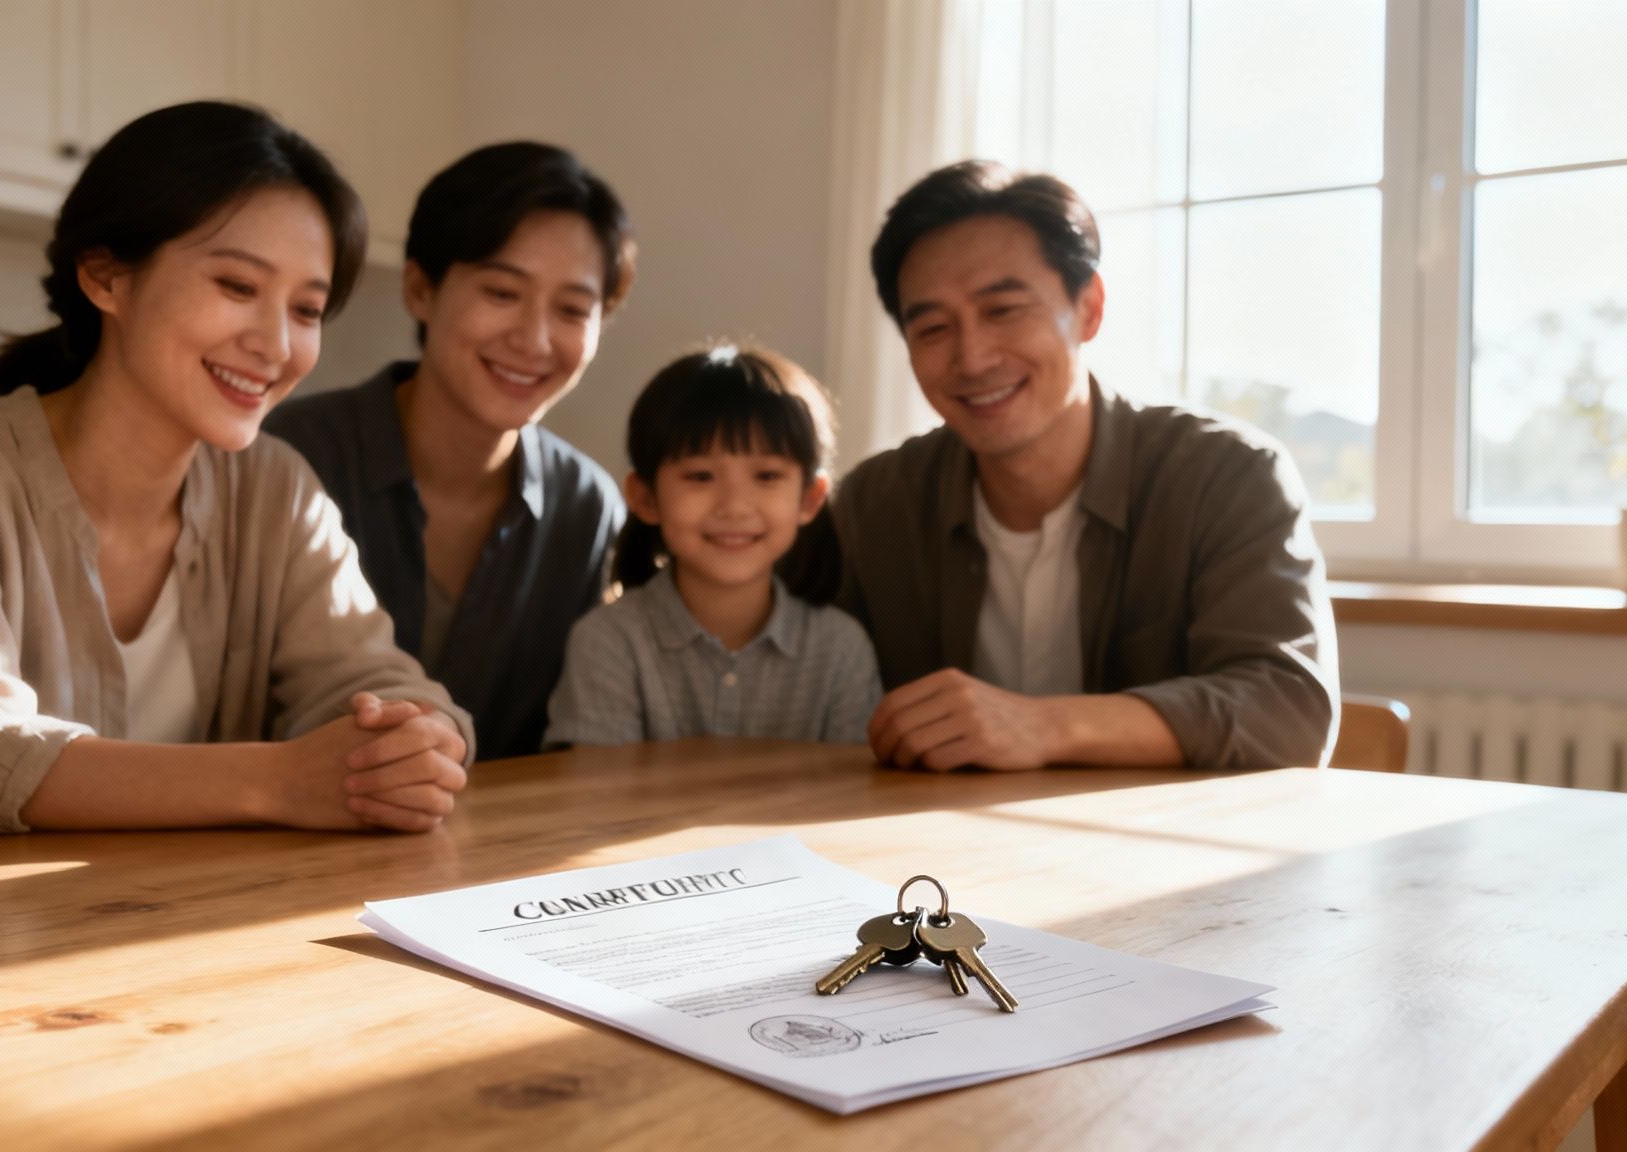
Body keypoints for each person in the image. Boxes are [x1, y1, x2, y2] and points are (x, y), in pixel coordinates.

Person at [0, 101, 473, 848]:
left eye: (306, 310)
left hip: (145, 924)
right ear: (106, 277)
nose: (277, 345)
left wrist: (416, 744)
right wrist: (277, 781)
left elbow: (374, 680)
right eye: (238, 287)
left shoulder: (277, 489)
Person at [834, 161, 1338, 773]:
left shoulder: (1229, 477)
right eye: (934, 328)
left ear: (1090, 308)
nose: (972, 357)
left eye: (1003, 311)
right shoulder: (876, 504)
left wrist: (1042, 726)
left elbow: (1288, 711)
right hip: (933, 857)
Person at [264, 143, 633, 761]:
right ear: (420, 289)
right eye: (502, 293)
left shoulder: (587, 507)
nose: (534, 339)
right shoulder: (287, 458)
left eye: (572, 309)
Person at [543, 344, 882, 746]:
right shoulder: (608, 642)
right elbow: (595, 792)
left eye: (768, 476)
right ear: (645, 498)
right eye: (701, 476)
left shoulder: (840, 649)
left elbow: (857, 795)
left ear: (810, 498)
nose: (734, 506)